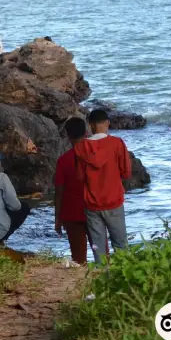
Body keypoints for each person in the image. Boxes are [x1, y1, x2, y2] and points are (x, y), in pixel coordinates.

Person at [76, 109, 131, 263]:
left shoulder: (80, 148)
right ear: (107, 123)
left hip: (92, 203)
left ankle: (102, 277)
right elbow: (126, 172)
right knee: (120, 244)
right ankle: (124, 277)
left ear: (90, 124)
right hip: (113, 200)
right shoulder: (117, 144)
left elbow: (80, 177)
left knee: (98, 247)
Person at [54, 118, 92, 264]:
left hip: (72, 213)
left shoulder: (63, 160)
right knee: (101, 253)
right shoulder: (94, 157)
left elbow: (59, 191)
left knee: (78, 258)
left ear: (68, 135)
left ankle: (81, 282)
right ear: (86, 132)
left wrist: (57, 218)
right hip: (95, 209)